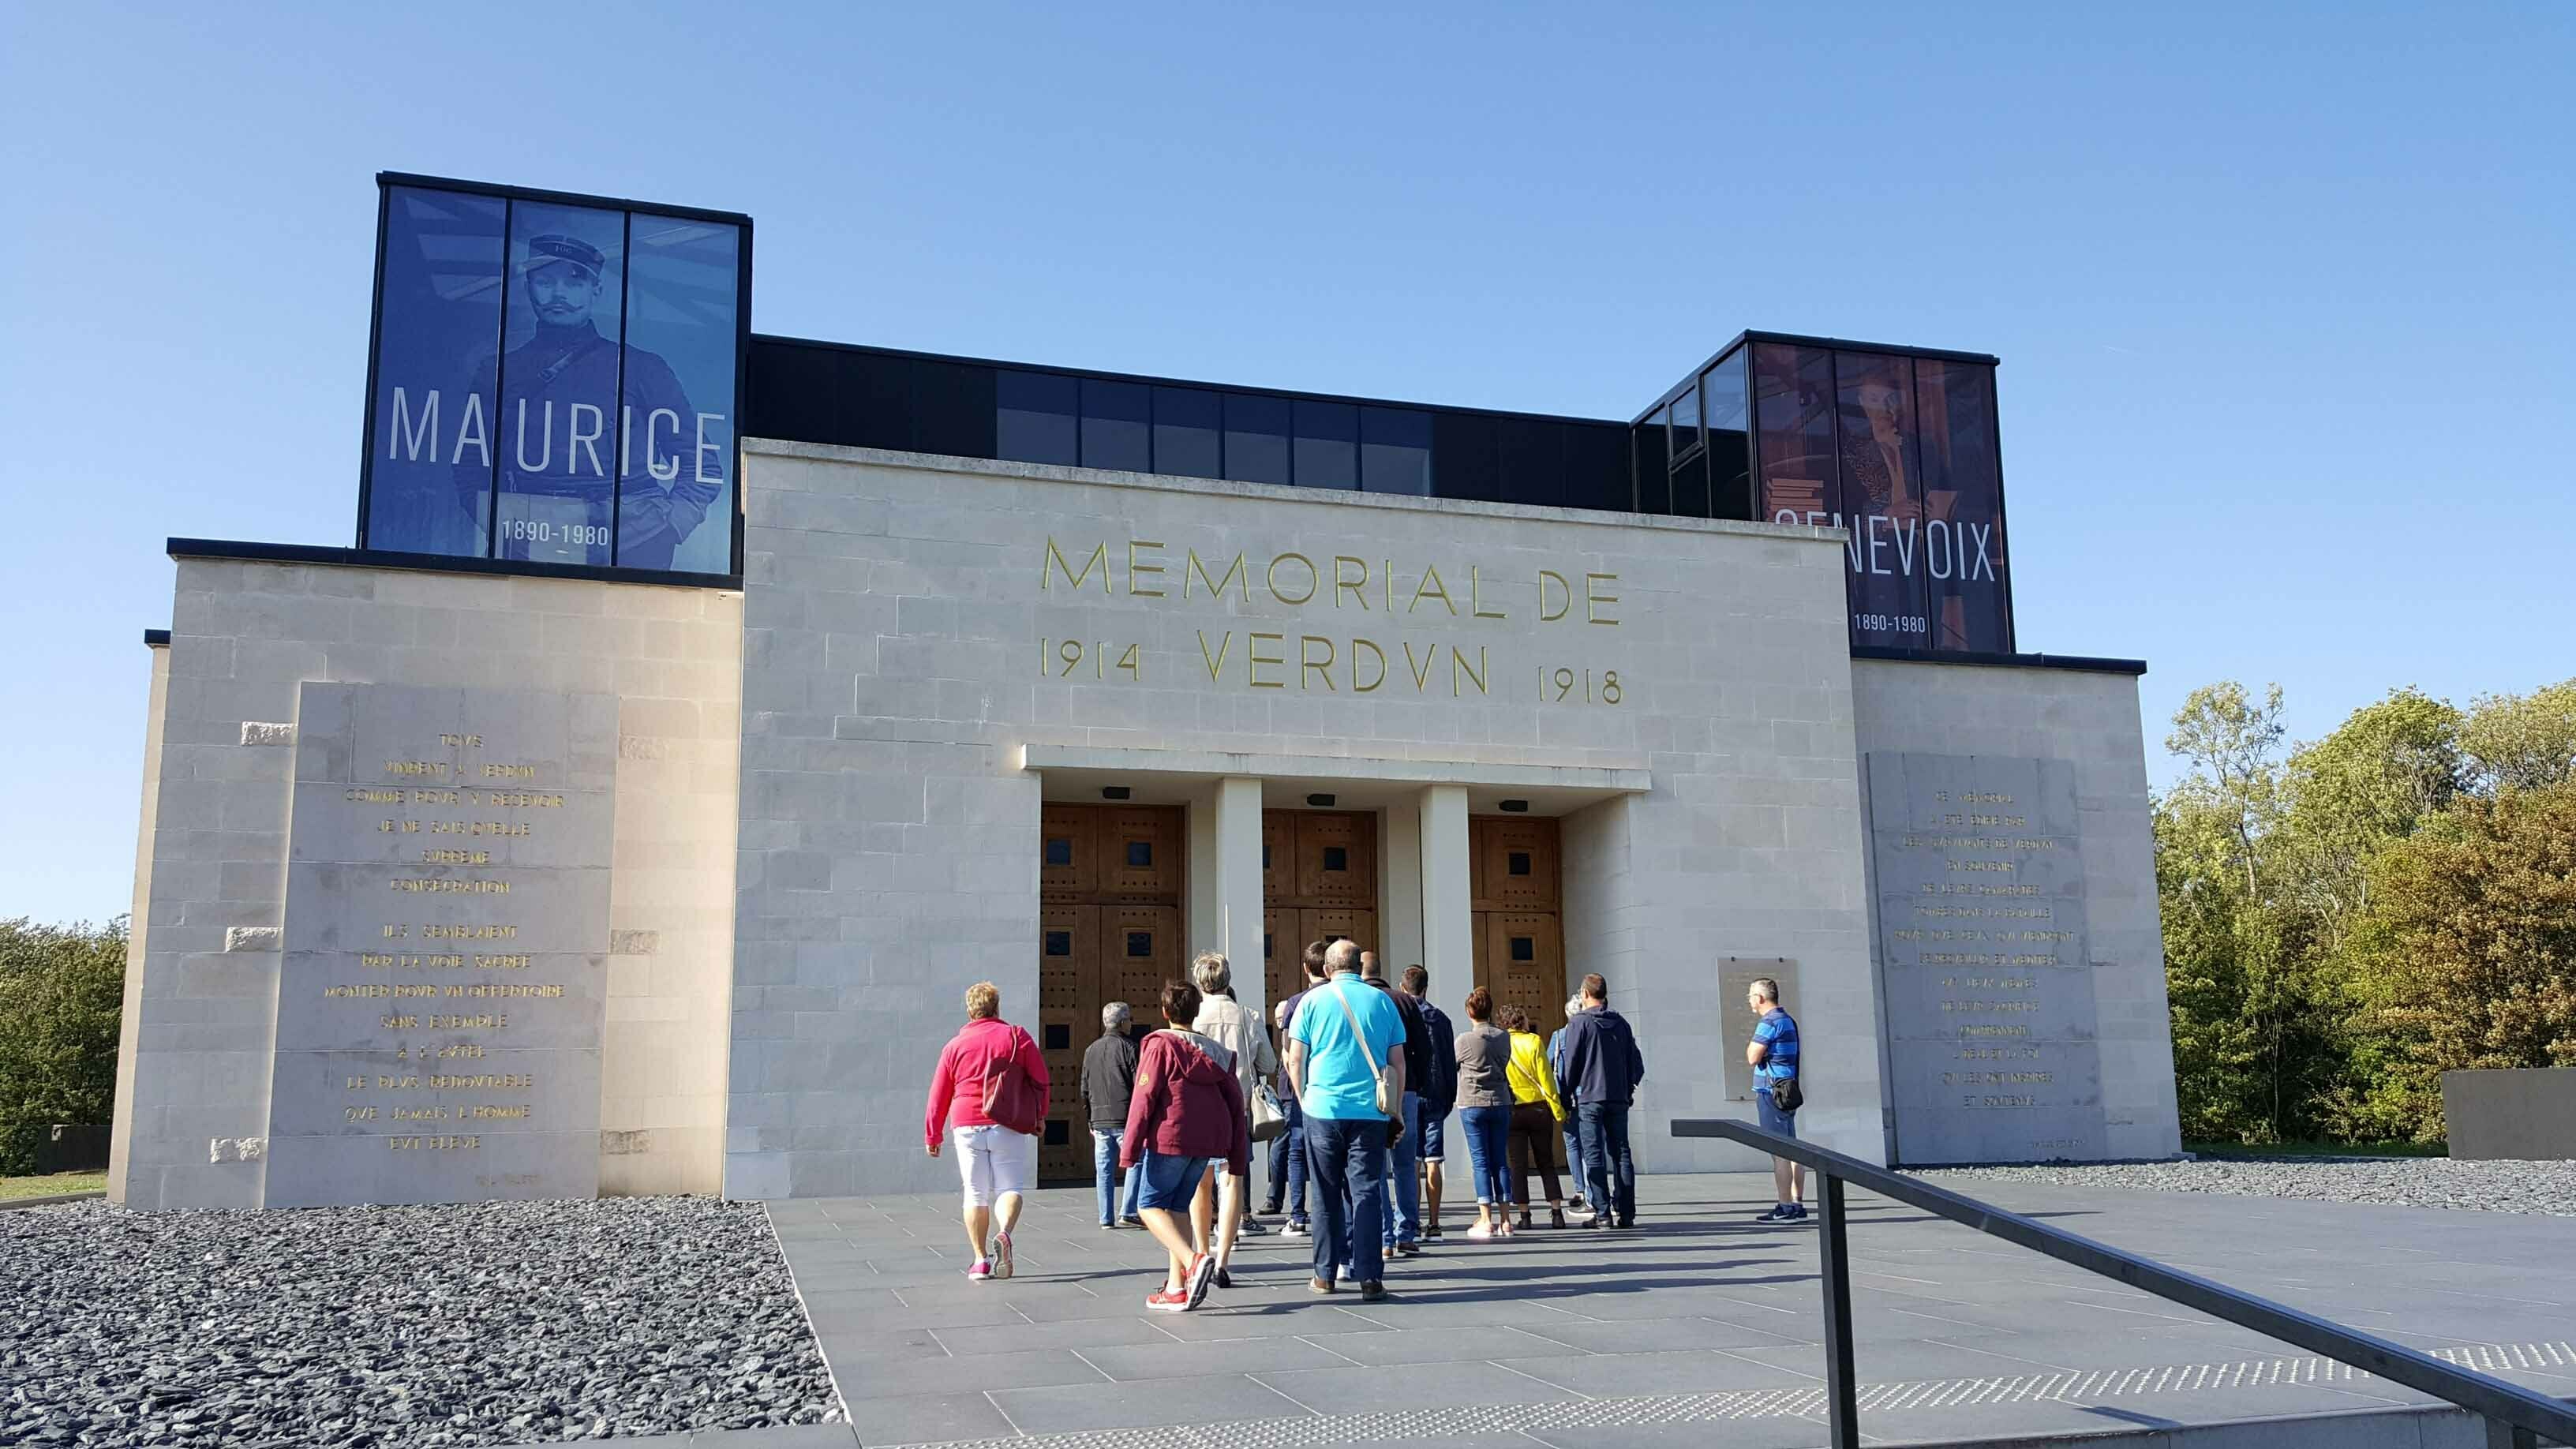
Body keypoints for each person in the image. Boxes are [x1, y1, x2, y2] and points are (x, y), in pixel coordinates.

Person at [459, 233, 721, 570]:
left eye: (574, 282)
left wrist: (668, 529)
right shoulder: (498, 371)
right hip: (534, 535)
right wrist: (504, 524)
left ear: (596, 290)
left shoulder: (643, 368)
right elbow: (471, 463)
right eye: (545, 281)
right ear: (529, 287)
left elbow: (701, 463)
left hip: (634, 538)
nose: (558, 294)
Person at [1284, 939, 1406, 1301]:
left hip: (1322, 1109)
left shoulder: (1310, 1002)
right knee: (1367, 1190)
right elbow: (1397, 1062)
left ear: (1326, 968)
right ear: (1360, 967)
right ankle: (1370, 1277)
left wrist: (1304, 1097)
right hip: (1370, 1111)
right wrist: (1395, 1109)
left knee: (1324, 1191)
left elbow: (1295, 1059)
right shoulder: (1383, 1002)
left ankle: (1324, 1275)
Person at [1121, 980, 1250, 1312]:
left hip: (1171, 1137)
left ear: (1165, 1012)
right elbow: (1236, 1103)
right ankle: (1177, 1287)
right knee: (1178, 1208)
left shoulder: (1160, 1046)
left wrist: (1130, 1149)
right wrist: (1237, 1157)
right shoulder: (1215, 1053)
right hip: (1207, 1144)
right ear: (1196, 1012)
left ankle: (1194, 1261)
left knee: (1147, 1205)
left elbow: (1144, 1097)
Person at [923, 981, 1049, 1281]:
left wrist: (933, 1134)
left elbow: (939, 1093)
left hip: (966, 1122)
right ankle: (1004, 1233)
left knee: (975, 1192)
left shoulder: (954, 1046)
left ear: (970, 1010)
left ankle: (980, 1261)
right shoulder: (1017, 1037)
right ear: (997, 1007)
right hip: (1008, 1121)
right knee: (1010, 1188)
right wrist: (1040, 1116)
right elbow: (1041, 1080)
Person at [1189, 952, 1279, 1282]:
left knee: (1201, 1183)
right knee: (1232, 1183)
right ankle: (1222, 1260)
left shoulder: (1194, 1016)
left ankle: (1200, 1250)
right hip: (1236, 1106)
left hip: (1199, 1109)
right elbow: (1268, 1064)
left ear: (1200, 981)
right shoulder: (1248, 1015)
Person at [1559, 973, 1646, 1230]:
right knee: (1621, 1153)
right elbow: (1636, 1062)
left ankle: (1602, 1212)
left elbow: (1571, 1064)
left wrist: (1565, 1096)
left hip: (1590, 1098)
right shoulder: (1621, 1024)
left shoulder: (1579, 1024)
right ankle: (1627, 1212)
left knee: (1593, 1153)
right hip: (1618, 1097)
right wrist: (1628, 1087)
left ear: (1585, 994)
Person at [1364, 957, 1431, 1256]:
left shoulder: (1362, 1000)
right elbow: (1423, 1047)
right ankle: (1408, 1231)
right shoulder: (1405, 1001)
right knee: (1406, 1164)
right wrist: (1419, 1082)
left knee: (1375, 1165)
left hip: (1371, 1090)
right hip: (1406, 1088)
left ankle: (1385, 1235)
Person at [1267, 941, 1331, 1237]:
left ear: (1306, 968)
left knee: (1296, 1151)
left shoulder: (1296, 1003)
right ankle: (1329, 1212)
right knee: (1330, 1152)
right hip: (1332, 1086)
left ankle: (1297, 1215)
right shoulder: (1340, 997)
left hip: (1299, 1090)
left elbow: (1288, 1051)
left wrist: (1299, 1089)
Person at [1451, 988, 1515, 1239]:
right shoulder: (1504, 1037)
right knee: (1500, 1159)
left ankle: (1485, 1217)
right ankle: (1507, 1219)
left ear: (1469, 1012)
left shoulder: (1464, 1040)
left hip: (1472, 1102)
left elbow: (1453, 1065)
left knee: (1480, 1161)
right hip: (1500, 1101)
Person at [1501, 1005, 1571, 1229]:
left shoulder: (1501, 1044)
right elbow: (1546, 1080)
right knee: (1546, 1161)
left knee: (1518, 1164)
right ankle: (1556, 1211)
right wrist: (1558, 1110)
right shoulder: (1533, 1041)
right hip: (1538, 1108)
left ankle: (1524, 1215)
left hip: (1513, 1108)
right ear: (1521, 1020)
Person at [1400, 965, 1456, 1239]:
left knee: (1412, 1161)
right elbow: (1449, 1061)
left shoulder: (1401, 1016)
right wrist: (1449, 1097)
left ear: (1403, 988)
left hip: (1410, 1091)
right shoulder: (1441, 1020)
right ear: (1426, 988)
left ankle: (1414, 1219)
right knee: (1434, 1159)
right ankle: (1434, 1222)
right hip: (1436, 1094)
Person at [1747, 977, 1807, 1222]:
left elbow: (1752, 1056)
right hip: (1787, 1091)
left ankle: (1784, 1207)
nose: (1749, 1000)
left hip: (1771, 1092)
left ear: (1760, 998)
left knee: (1779, 1151)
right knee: (1793, 1149)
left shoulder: (1769, 1022)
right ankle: (1797, 1203)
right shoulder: (1787, 1020)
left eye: (1750, 995)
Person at [1080, 1001, 1145, 1228]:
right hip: (1125, 1117)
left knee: (1104, 1170)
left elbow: (1085, 1087)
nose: (1132, 1023)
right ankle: (1128, 1211)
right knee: (1136, 1162)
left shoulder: (1091, 1050)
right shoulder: (1131, 1048)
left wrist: (1090, 1118)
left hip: (1099, 1120)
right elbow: (1140, 1085)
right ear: (1122, 1022)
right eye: (1130, 1019)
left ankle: (1105, 1217)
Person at [1548, 995, 1588, 1216]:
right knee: (1591, 1145)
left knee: (1573, 1144)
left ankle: (1580, 1190)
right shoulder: (1591, 1033)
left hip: (1568, 1097)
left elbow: (1548, 1064)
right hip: (1591, 1095)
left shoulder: (1559, 1036)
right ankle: (1591, 1190)